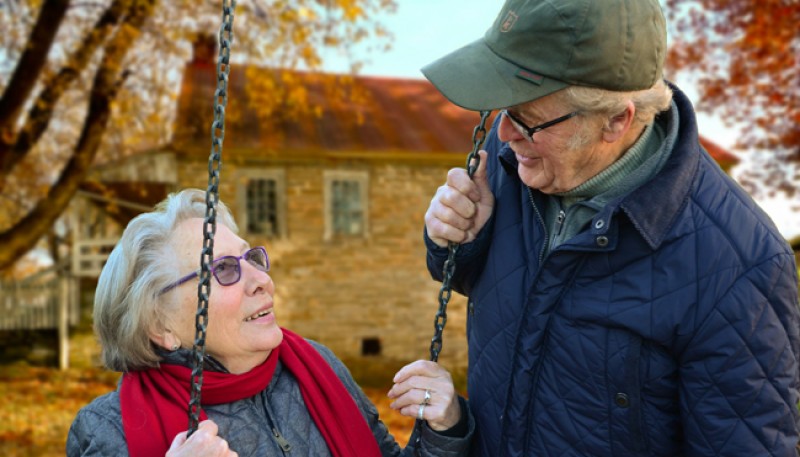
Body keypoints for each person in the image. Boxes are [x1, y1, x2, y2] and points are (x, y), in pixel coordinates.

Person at [420, 0, 800, 455]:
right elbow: (489, 290)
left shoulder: (739, 265)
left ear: (617, 120)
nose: (505, 134)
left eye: (528, 120)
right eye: (503, 109)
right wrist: (458, 242)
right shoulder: (512, 166)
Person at [67, 188, 474, 457]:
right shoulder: (106, 431)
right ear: (161, 327)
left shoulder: (316, 365)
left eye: (252, 259)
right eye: (224, 269)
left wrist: (444, 429)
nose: (261, 280)